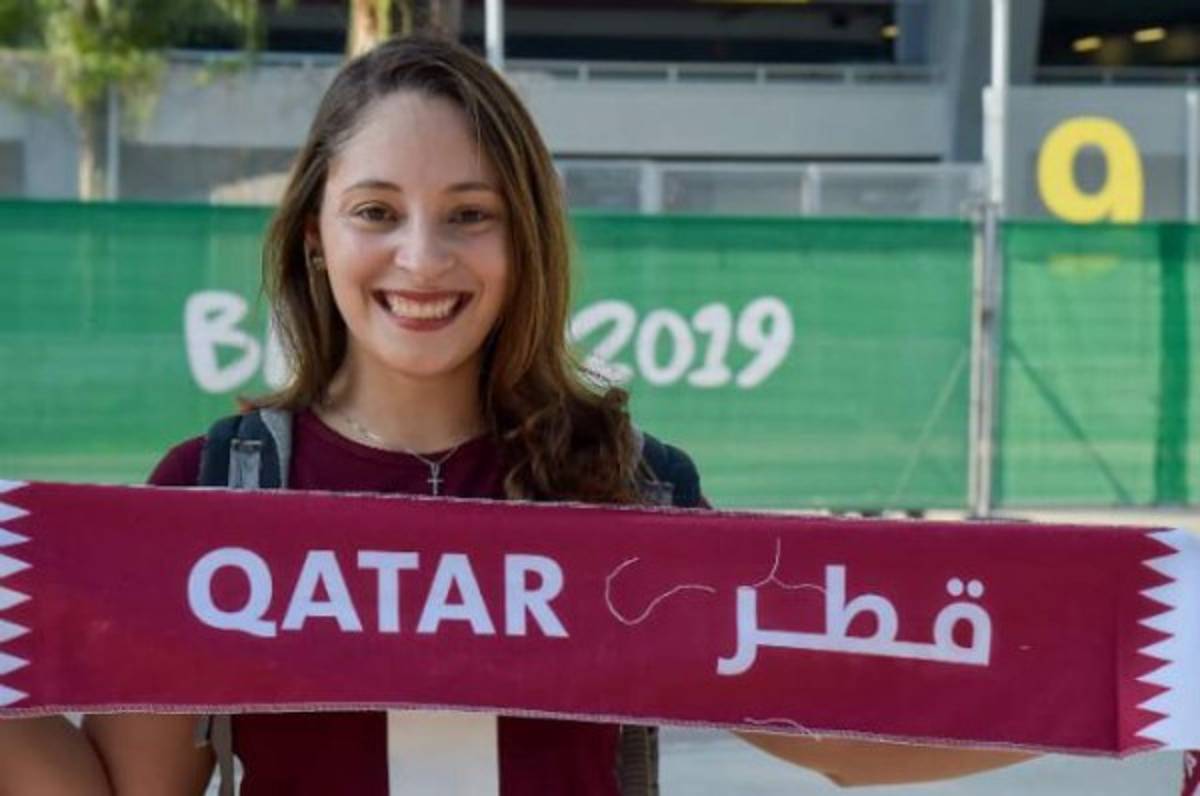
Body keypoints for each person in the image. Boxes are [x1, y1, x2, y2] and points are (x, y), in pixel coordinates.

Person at [1, 35, 1029, 795]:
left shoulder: (624, 488)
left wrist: (1142, 680)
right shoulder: (213, 495)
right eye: (375, 211)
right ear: (315, 233)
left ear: (523, 236)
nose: (422, 257)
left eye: (469, 213)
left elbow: (835, 728)